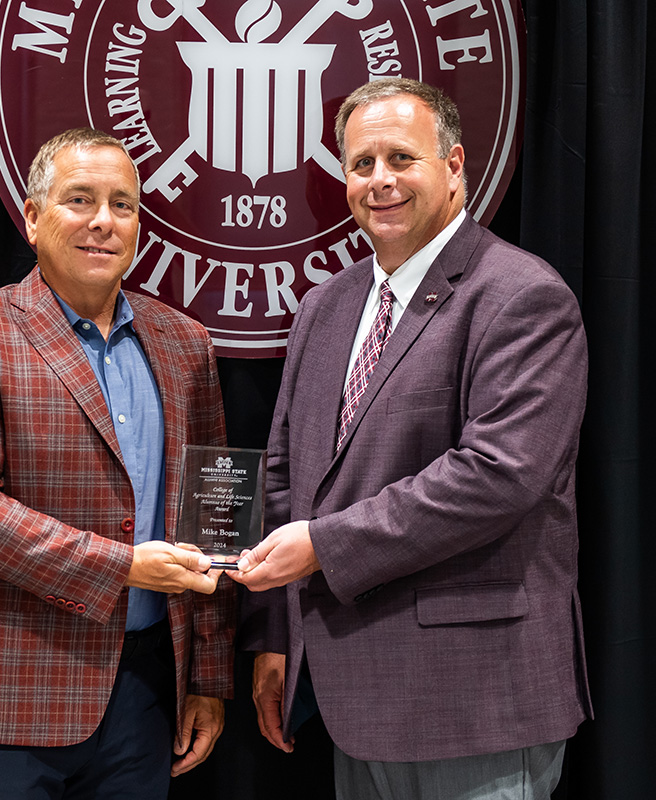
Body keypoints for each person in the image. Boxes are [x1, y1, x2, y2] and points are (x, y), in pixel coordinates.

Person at [231, 78, 592, 799]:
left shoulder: (522, 295)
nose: (379, 181)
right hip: (349, 695)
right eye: (361, 163)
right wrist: (275, 634)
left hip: (475, 700)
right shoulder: (324, 308)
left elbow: (497, 476)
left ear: (454, 165)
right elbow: (283, 476)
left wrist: (324, 548)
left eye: (402, 157)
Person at [0, 128, 235, 799]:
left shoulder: (185, 345)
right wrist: (123, 568)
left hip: (145, 700)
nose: (103, 222)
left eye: (123, 205)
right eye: (80, 200)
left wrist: (209, 678)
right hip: (4, 698)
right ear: (32, 218)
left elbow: (214, 517)